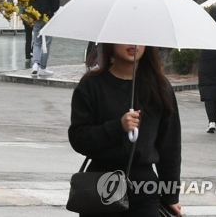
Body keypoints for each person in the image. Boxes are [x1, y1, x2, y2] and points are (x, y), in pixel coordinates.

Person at [69, 44, 182, 217]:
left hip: (143, 189)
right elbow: (78, 138)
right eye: (126, 38)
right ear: (111, 44)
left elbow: (170, 148)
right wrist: (117, 127)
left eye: (139, 39)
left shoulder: (160, 87)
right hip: (100, 186)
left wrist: (171, 196)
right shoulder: (92, 84)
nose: (133, 44)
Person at [30, 0, 61, 77]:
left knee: (37, 43)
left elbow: (30, 3)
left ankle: (35, 64)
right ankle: (43, 67)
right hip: (48, 19)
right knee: (46, 44)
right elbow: (56, 6)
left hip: (37, 18)